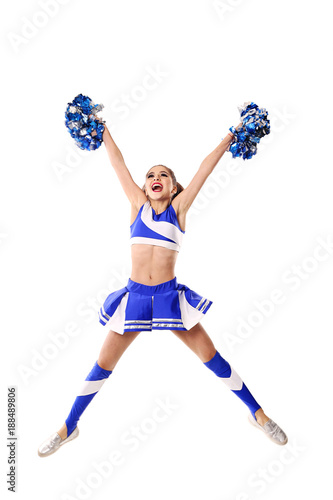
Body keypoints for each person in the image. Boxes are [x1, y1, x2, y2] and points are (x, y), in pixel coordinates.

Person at [38, 119, 287, 457]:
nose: (156, 179)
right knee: (103, 364)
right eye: (150, 175)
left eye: (164, 176)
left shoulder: (178, 211)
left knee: (210, 356)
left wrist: (231, 135)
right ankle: (68, 426)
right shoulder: (137, 207)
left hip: (170, 297)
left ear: (174, 188)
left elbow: (204, 169)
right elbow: (117, 162)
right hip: (135, 297)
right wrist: (102, 126)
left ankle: (259, 414)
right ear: (143, 186)